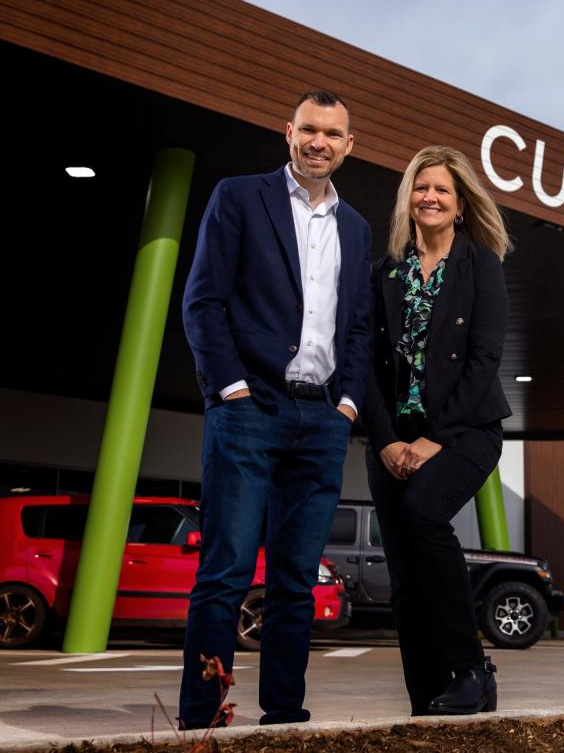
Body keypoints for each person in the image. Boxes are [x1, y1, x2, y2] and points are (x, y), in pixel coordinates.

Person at [178, 90, 371, 728]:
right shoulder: (238, 196)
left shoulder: (357, 228)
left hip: (321, 420)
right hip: (249, 410)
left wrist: (346, 402)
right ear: (288, 132)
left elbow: (360, 325)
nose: (319, 142)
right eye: (309, 129)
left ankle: (284, 713)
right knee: (227, 568)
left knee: (295, 579)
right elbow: (203, 301)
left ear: (350, 145)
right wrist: (228, 386)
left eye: (332, 133)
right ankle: (202, 716)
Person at [363, 145, 514, 716]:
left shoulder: (481, 265)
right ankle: (427, 696)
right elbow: (368, 363)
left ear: (459, 204)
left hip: (466, 432)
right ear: (409, 199)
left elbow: (484, 361)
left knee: (423, 515)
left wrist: (435, 438)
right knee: (403, 569)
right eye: (420, 188)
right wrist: (386, 440)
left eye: (441, 190)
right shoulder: (385, 273)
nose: (429, 197)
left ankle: (472, 669)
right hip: (392, 440)